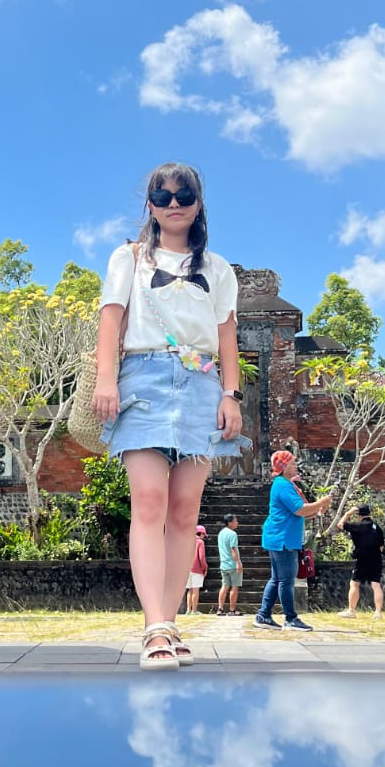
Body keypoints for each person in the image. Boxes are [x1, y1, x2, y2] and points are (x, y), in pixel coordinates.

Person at [91, 162, 248, 670]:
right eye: (163, 196)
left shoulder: (218, 269)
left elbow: (226, 335)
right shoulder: (130, 257)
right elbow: (111, 319)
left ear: (198, 204)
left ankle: (170, 622)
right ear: (151, 205)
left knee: (184, 511)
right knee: (149, 501)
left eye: (184, 196)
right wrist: (106, 379)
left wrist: (231, 394)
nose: (173, 204)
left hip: (201, 384)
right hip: (143, 378)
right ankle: (154, 626)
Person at [255, 450, 332, 632]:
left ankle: (263, 615)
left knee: (277, 579)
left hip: (281, 537)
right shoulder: (283, 485)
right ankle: (290, 618)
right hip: (283, 538)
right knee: (287, 580)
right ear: (284, 466)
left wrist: (319, 510)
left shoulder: (286, 484)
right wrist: (321, 502)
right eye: (292, 463)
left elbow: (304, 513)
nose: (296, 466)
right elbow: (300, 510)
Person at [343, 504, 385, 616]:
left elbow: (340, 524)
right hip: (376, 557)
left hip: (363, 557)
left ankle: (351, 611)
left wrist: (348, 513)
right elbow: (381, 546)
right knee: (376, 584)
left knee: (354, 583)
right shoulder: (376, 527)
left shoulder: (358, 526)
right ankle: (378, 612)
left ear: (358, 515)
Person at [215, 513, 242, 614]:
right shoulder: (232, 534)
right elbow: (233, 549)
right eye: (235, 521)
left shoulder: (221, 533)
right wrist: (238, 563)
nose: (237, 523)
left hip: (224, 564)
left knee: (225, 586)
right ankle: (232, 610)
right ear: (230, 523)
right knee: (234, 587)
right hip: (232, 564)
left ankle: (220, 609)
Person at [185, 526, 207, 613]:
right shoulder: (200, 542)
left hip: (187, 569)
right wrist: (204, 567)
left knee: (189, 590)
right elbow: (201, 557)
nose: (204, 537)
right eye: (204, 535)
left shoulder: (187, 541)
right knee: (195, 590)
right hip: (197, 569)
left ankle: (188, 610)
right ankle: (194, 611)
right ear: (201, 533)